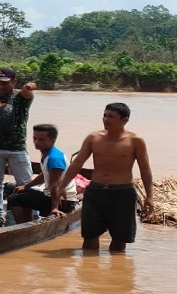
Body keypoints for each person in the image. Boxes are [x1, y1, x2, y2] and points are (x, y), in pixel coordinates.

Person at [57, 103, 154, 252]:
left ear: (124, 120)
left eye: (111, 117)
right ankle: (89, 272)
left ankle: (117, 273)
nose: (106, 119)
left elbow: (145, 169)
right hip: (96, 192)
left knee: (120, 239)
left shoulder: (135, 141)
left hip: (122, 193)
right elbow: (77, 164)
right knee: (89, 236)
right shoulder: (93, 138)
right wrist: (62, 186)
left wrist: (149, 197)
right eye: (105, 115)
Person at [0, 67, 37, 229]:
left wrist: (28, 88)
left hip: (17, 149)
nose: (1, 86)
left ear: (14, 81)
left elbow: (28, 93)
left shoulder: (20, 99)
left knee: (26, 183)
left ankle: (34, 215)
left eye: (5, 83)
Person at [7, 124, 78, 224]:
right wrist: (26, 186)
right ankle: (27, 223)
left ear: (52, 141)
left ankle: (25, 227)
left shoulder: (54, 158)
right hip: (52, 196)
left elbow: (55, 186)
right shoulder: (47, 153)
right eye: (35, 138)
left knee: (13, 199)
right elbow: (44, 175)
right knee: (19, 191)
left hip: (64, 202)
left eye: (41, 140)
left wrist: (54, 208)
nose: (37, 142)